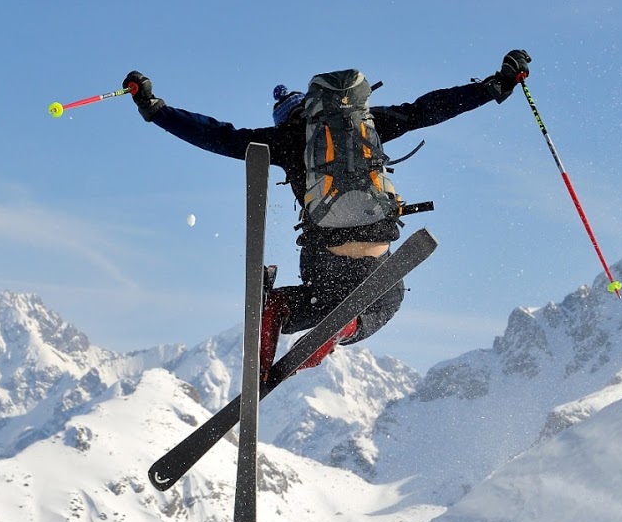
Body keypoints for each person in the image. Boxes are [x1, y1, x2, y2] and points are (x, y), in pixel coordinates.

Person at [124, 50, 530, 375]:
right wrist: (495, 85)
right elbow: (429, 108)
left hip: (323, 256)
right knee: (386, 301)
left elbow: (217, 136)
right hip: (374, 253)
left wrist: (155, 109)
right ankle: (344, 328)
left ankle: (279, 309)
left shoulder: (281, 140)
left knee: (318, 302)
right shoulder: (370, 124)